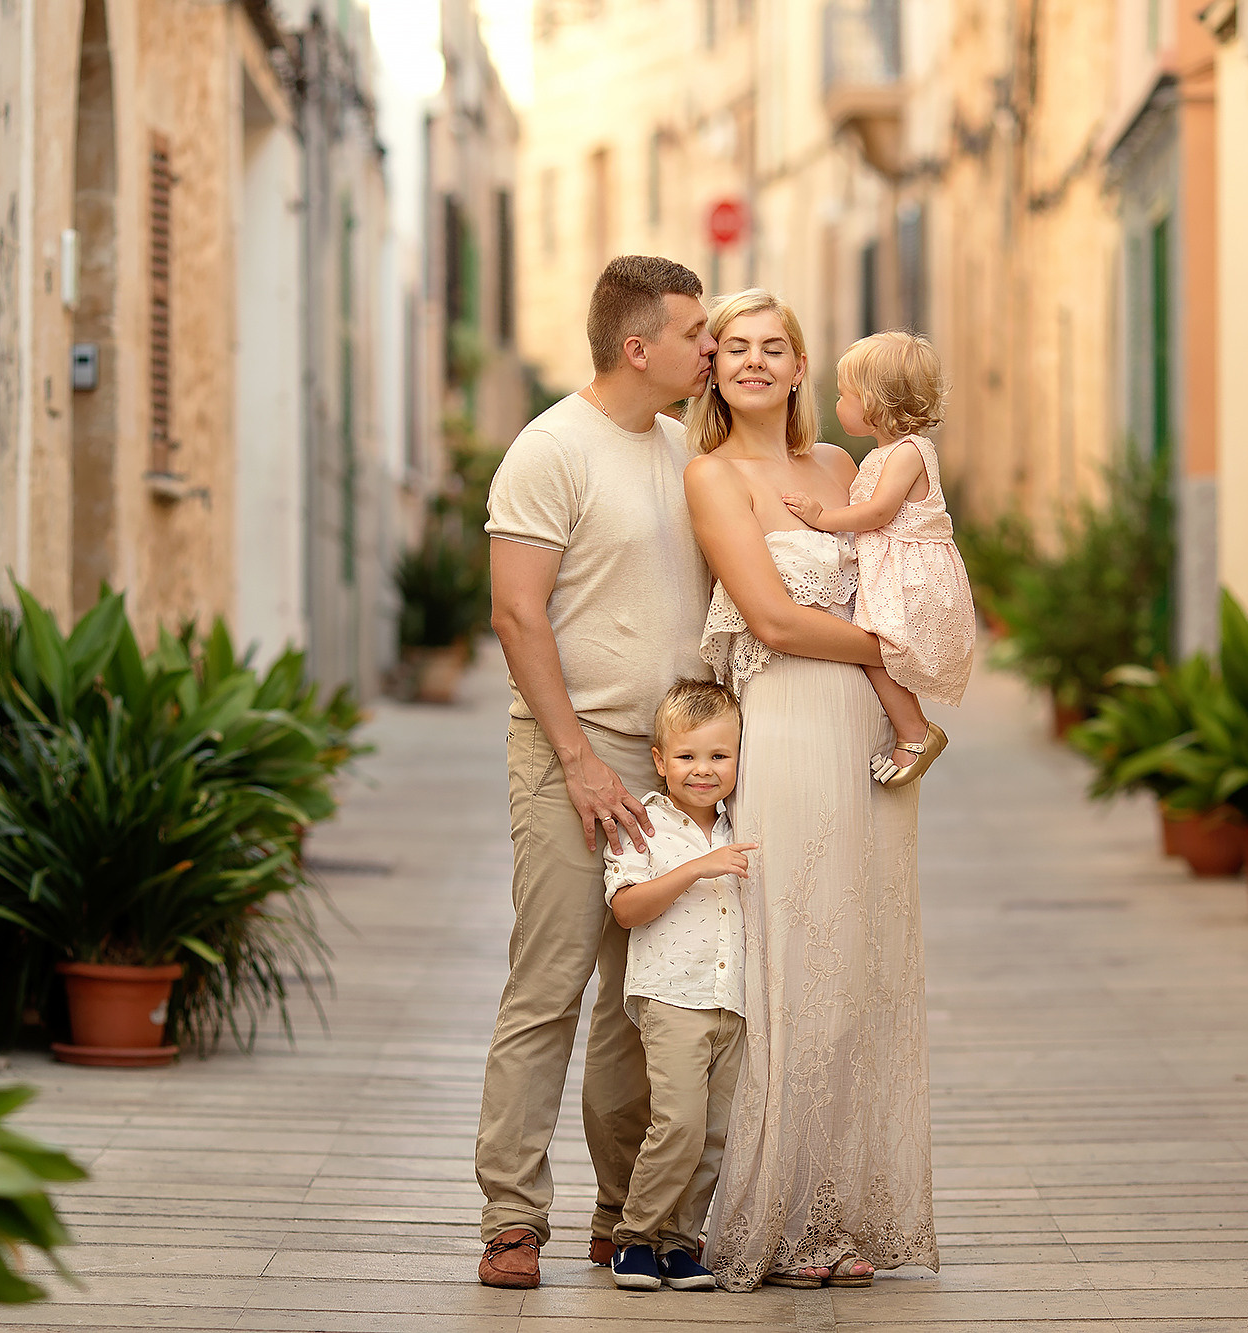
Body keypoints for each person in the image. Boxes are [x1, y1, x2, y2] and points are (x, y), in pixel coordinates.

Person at [683, 289, 939, 1292]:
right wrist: (890, 647)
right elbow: (774, 621)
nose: (753, 361)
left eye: (772, 346)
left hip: (868, 729)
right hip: (786, 719)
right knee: (791, 960)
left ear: (799, 367)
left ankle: (841, 1213)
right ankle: (778, 1217)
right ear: (715, 367)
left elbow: (903, 563)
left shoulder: (842, 467)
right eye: (734, 347)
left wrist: (910, 659)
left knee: (860, 959)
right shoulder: (710, 476)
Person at [474, 256, 719, 1291]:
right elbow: (515, 614)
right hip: (572, 754)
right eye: (695, 333)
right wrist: (577, 763)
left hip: (679, 770)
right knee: (550, 984)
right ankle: (510, 1218)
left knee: (648, 998)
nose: (709, 348)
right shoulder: (548, 450)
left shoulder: (687, 451)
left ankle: (622, 1215)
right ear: (637, 346)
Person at [600, 679, 758, 1293]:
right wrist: (697, 869)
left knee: (718, 1133)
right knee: (680, 1123)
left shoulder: (743, 821)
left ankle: (680, 1243)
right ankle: (634, 1237)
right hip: (673, 997)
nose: (703, 770)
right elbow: (628, 910)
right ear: (660, 760)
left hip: (734, 999)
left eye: (719, 756)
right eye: (688, 757)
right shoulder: (643, 827)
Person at [780, 331, 978, 788]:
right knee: (872, 647)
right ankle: (911, 727)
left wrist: (822, 516)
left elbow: (880, 511)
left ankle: (915, 731)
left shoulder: (909, 452)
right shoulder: (884, 453)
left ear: (871, 402)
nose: (836, 403)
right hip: (894, 566)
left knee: (874, 647)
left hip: (911, 573)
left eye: (844, 395)